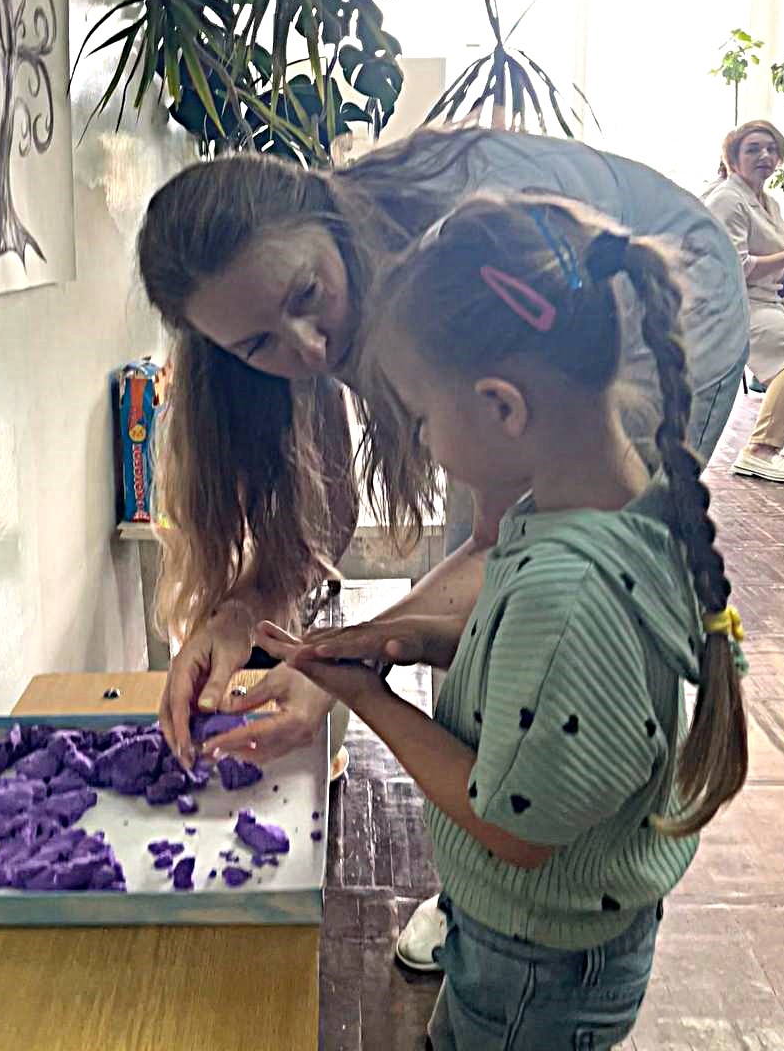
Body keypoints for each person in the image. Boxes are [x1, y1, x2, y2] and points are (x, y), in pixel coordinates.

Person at [136, 125, 748, 968]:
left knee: (540, 599)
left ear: (328, 223)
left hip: (675, 293)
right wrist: (245, 616)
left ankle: (555, 896)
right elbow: (333, 522)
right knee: (503, 602)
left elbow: (501, 550)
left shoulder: (440, 272)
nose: (308, 348)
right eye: (259, 347)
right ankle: (500, 864)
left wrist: (350, 681)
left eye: (307, 296)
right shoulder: (310, 305)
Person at [255, 193, 749, 1050]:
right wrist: (419, 640)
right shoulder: (624, 509)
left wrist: (367, 701)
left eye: (421, 417)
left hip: (537, 967)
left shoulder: (570, 593)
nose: (423, 441)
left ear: (501, 406)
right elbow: (557, 686)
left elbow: (513, 827)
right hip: (559, 941)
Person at [706, 120, 784, 481]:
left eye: (771, 149)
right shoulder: (728, 199)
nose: (764, 155)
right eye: (753, 149)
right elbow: (735, 267)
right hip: (736, 305)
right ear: (734, 157)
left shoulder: (769, 203)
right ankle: (759, 450)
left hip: (767, 299)